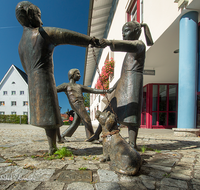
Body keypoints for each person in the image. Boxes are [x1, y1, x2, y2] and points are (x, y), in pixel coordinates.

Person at [15, 1, 99, 154]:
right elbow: (67, 36)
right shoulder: (42, 34)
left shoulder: (21, 44)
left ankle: (56, 141)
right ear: (31, 15)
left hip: (33, 81)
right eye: (39, 15)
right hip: (44, 78)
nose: (42, 20)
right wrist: (90, 41)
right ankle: (52, 148)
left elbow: (26, 67)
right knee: (50, 114)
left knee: (50, 113)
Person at [87, 21, 153, 149]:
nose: (123, 33)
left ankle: (132, 143)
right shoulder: (130, 51)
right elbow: (123, 73)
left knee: (131, 112)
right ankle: (97, 134)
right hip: (123, 82)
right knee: (107, 110)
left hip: (132, 81)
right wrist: (113, 87)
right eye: (123, 30)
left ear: (136, 31)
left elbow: (126, 46)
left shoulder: (139, 45)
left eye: (127, 29)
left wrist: (109, 42)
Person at [56, 69, 112, 139]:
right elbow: (54, 90)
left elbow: (92, 90)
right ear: (72, 75)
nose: (80, 75)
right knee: (87, 119)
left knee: (76, 122)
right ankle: (91, 137)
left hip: (80, 104)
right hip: (77, 104)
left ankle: (62, 136)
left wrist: (105, 91)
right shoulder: (66, 85)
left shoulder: (79, 86)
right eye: (78, 74)